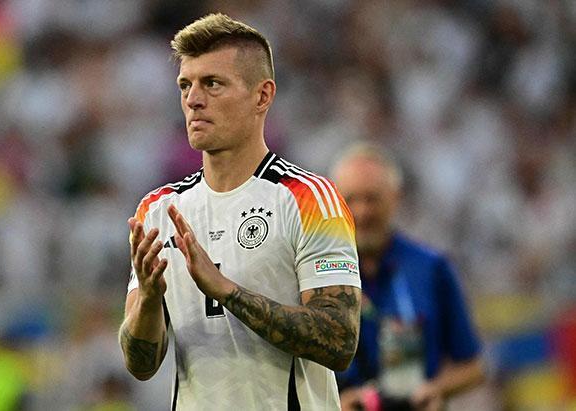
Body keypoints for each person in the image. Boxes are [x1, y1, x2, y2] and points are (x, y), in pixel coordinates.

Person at [118, 13, 362, 410]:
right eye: (185, 85)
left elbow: (340, 341)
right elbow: (141, 365)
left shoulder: (309, 198)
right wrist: (147, 299)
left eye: (212, 83)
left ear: (262, 96)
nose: (193, 100)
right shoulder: (158, 210)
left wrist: (228, 291)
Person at [330, 144, 485, 411]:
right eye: (351, 199)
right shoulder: (316, 273)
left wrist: (436, 390)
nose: (363, 212)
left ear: (395, 197)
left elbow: (473, 367)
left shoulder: (431, 268)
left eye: (372, 199)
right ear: (334, 203)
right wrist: (333, 402)